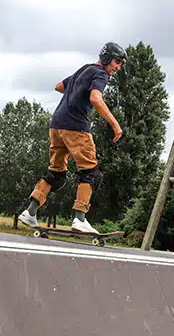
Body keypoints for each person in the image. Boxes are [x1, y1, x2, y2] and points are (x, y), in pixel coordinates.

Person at [16, 42, 126, 234]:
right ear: (107, 58)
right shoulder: (101, 74)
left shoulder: (84, 69)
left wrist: (76, 94)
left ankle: (30, 212)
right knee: (91, 173)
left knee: (56, 173)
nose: (117, 67)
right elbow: (95, 99)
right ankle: (80, 219)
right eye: (117, 62)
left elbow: (59, 86)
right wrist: (115, 124)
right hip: (76, 127)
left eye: (120, 64)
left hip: (57, 124)